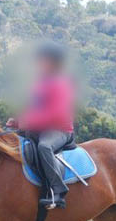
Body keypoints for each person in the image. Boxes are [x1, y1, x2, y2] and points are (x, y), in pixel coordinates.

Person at [6, 42, 75, 209]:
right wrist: (18, 121)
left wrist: (29, 122)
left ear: (54, 63)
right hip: (38, 128)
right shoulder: (38, 84)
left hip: (59, 129)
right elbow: (34, 109)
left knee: (44, 147)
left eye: (43, 60)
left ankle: (58, 191)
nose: (39, 64)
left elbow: (57, 113)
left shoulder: (60, 83)